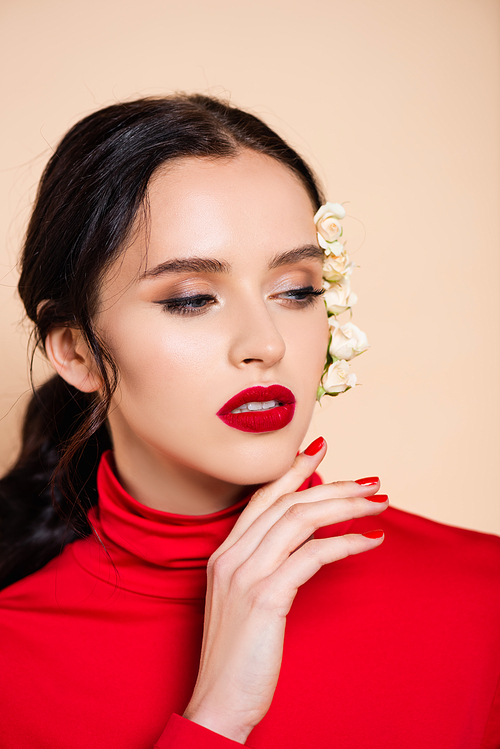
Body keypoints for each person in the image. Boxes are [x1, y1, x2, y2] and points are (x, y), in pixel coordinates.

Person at [0, 95, 498, 749]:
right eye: (191, 299)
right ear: (75, 350)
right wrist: (216, 718)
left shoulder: (482, 601)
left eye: (297, 290)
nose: (264, 342)